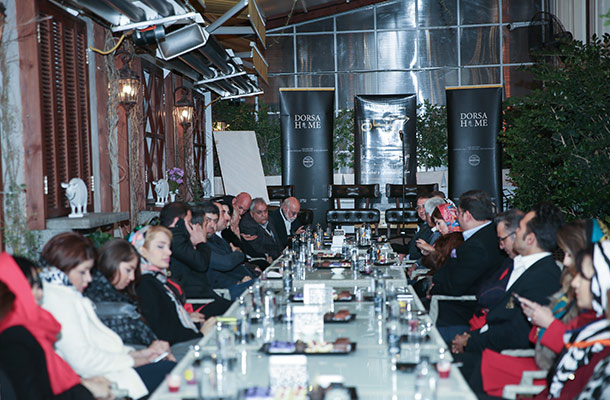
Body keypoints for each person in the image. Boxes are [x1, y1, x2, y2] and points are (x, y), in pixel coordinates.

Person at [40, 232, 174, 400]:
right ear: (64, 267)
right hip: (100, 380)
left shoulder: (66, 294)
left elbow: (98, 346)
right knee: (171, 371)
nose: (89, 278)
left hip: (110, 371)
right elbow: (84, 362)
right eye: (83, 272)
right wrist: (137, 359)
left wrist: (141, 355)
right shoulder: (59, 300)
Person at [451, 203, 564, 390]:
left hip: (502, 362)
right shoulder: (523, 266)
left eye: (520, 228)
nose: (515, 231)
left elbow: (517, 333)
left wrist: (470, 342)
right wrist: (471, 337)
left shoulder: (543, 277)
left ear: (530, 239)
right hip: (487, 347)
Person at [478, 219, 591, 397]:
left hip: (554, 376)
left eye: (569, 254)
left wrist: (548, 323)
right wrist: (537, 319)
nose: (565, 261)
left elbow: (582, 355)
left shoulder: (589, 299)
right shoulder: (571, 287)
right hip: (545, 366)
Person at [0, 253, 111, 400]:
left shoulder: (25, 331)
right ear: (14, 287)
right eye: (32, 285)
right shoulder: (14, 338)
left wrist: (85, 386)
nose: (40, 293)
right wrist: (87, 391)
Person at [533, 242, 610, 399]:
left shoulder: (602, 348)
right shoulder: (592, 329)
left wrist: (550, 324)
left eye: (583, 276)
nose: (575, 282)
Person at [431, 190, 505, 328]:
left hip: (461, 310)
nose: (456, 218)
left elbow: (455, 286)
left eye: (458, 213)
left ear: (467, 216)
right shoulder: (489, 234)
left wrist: (433, 289)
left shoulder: (477, 245)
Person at [132, 225, 216, 346]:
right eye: (160, 246)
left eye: (168, 247)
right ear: (142, 250)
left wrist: (185, 317)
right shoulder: (144, 284)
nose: (169, 252)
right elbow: (163, 334)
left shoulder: (155, 279)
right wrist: (201, 335)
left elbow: (163, 319)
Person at [160, 202, 231, 316]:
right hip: (196, 302)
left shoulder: (178, 237)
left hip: (204, 297)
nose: (191, 226)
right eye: (188, 221)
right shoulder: (174, 238)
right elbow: (201, 264)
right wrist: (201, 243)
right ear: (177, 221)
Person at [84, 239, 158, 347]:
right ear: (111, 263)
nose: (132, 277)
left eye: (134, 271)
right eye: (128, 270)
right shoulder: (98, 300)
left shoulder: (120, 295)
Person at [195, 202, 255, 300]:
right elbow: (226, 263)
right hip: (223, 292)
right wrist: (238, 253)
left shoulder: (216, 238)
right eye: (208, 220)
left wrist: (249, 276)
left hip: (242, 282)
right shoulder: (199, 244)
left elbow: (234, 262)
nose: (212, 225)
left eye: (215, 221)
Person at [240, 198, 283, 264]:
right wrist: (277, 255)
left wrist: (282, 252)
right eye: (259, 212)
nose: (264, 215)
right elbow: (258, 249)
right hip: (264, 259)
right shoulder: (247, 225)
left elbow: (277, 240)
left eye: (265, 211)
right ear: (252, 214)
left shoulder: (270, 219)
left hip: (277, 257)